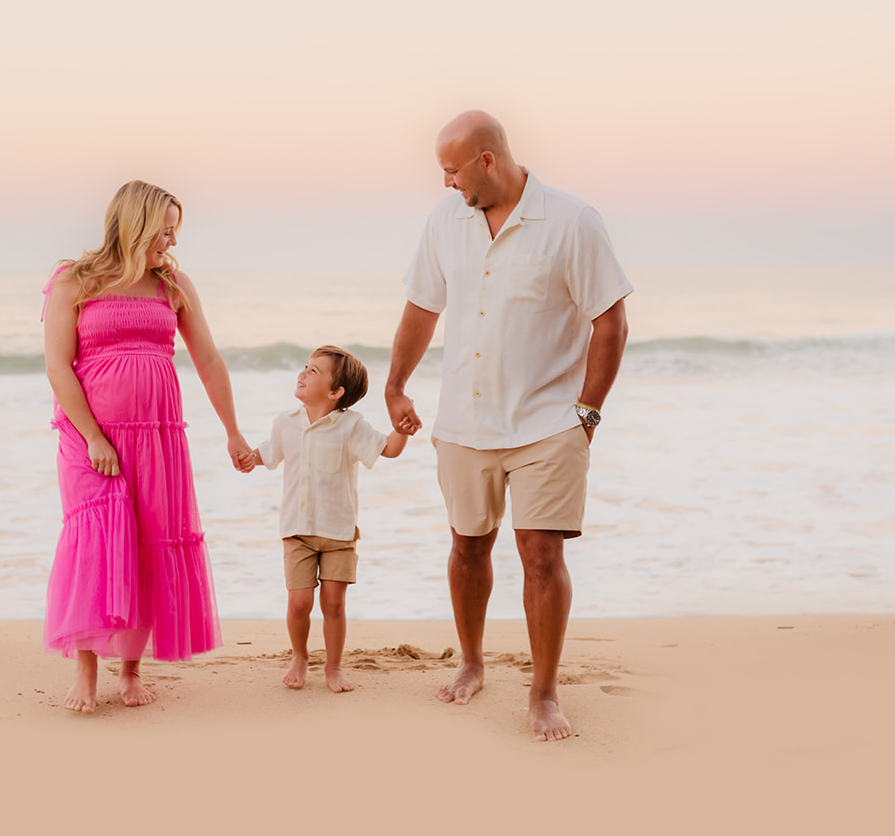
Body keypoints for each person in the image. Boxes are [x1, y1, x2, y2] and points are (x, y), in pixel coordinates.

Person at [385, 111, 632, 742]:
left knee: (541, 555)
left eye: (451, 168)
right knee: (468, 545)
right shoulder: (446, 221)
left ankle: (543, 694)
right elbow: (422, 306)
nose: (444, 182)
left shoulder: (572, 222)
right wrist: (394, 384)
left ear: (487, 160)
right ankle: (472, 661)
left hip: (549, 421)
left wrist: (587, 413)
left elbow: (611, 321)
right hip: (464, 420)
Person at [41, 180, 256, 713]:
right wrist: (93, 435)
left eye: (174, 229)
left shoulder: (174, 285)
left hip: (158, 437)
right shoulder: (75, 280)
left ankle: (131, 671)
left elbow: (208, 360)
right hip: (90, 438)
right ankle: (86, 674)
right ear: (135, 222)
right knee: (97, 543)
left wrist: (233, 430)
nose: (171, 238)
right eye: (165, 227)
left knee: (147, 545)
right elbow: (57, 367)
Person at [249, 347, 408, 692]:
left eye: (314, 371)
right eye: (305, 367)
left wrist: (402, 429)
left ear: (336, 393)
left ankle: (334, 667)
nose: (302, 374)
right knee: (299, 602)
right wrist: (248, 458)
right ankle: (300, 656)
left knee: (334, 604)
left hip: (338, 532)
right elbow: (268, 453)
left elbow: (389, 449)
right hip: (297, 530)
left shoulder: (351, 425)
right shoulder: (285, 422)